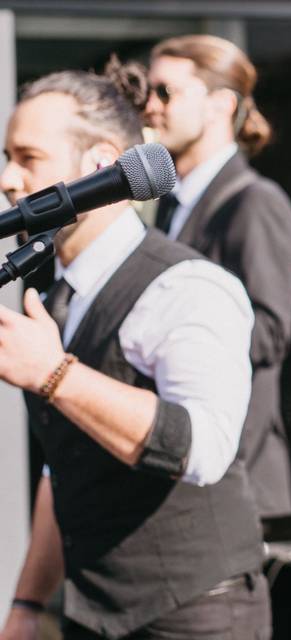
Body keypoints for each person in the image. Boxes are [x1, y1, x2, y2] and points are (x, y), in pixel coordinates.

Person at [0, 61, 270, 639]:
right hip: (89, 614)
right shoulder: (48, 288)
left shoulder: (186, 285)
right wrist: (27, 604)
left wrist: (54, 373)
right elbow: (65, 465)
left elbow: (201, 447)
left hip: (195, 616)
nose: (8, 179)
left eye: (29, 159)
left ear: (99, 162)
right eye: (7, 159)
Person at [145, 34, 291, 520]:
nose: (150, 107)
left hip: (239, 479)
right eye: (147, 93)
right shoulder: (171, 205)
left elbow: (269, 334)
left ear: (220, 104)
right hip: (184, 475)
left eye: (165, 92)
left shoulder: (256, 202)